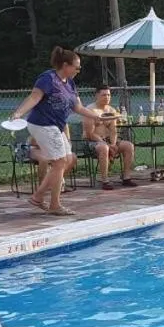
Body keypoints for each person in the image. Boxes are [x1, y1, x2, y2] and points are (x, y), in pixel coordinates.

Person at [10, 46, 107, 215]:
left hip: (56, 126)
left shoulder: (70, 83)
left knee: (68, 159)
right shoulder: (47, 78)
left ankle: (38, 196)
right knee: (60, 162)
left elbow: (77, 107)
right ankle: (54, 205)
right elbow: (34, 97)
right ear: (65, 65)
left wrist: (95, 116)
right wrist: (19, 113)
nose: (79, 70)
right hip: (42, 124)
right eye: (76, 67)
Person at [82, 84, 139, 190]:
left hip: (108, 140)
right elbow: (90, 133)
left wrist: (113, 143)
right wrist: (104, 143)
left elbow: (113, 130)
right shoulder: (90, 110)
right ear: (97, 96)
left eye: (108, 95)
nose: (107, 97)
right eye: (104, 95)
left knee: (128, 146)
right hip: (93, 141)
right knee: (104, 147)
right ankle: (105, 180)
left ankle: (126, 177)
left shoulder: (111, 110)